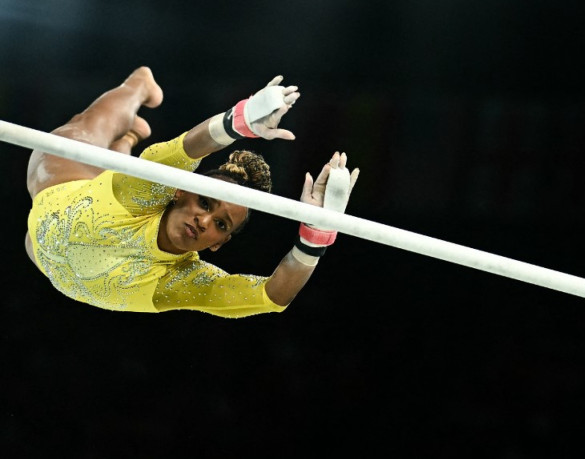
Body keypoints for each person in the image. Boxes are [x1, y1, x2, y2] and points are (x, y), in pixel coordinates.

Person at [25, 66, 359, 318]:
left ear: (218, 243)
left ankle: (126, 141)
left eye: (221, 224)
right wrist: (239, 121)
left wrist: (316, 235)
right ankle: (138, 86)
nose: (204, 219)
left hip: (42, 255)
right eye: (205, 201)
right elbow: (186, 150)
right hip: (57, 189)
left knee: (36, 240)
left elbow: (270, 296)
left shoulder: (183, 281)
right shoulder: (146, 188)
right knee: (84, 129)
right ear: (180, 193)